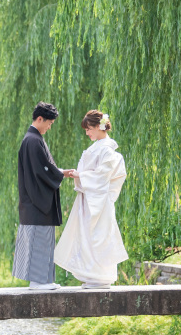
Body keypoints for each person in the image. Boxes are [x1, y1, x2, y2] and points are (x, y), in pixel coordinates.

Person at [54, 110, 128, 289]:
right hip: (89, 198)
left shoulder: (108, 150)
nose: (87, 133)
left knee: (99, 235)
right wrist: (80, 176)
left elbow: (103, 175)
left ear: (98, 127)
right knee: (86, 236)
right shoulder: (97, 148)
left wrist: (81, 175)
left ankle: (100, 277)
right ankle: (91, 275)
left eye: (89, 129)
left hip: (99, 200)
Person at [12, 102, 74, 290]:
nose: (49, 127)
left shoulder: (32, 138)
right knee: (39, 241)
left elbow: (43, 169)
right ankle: (38, 281)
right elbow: (41, 171)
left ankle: (42, 281)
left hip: (34, 202)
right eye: (49, 123)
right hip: (37, 203)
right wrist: (60, 173)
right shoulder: (32, 140)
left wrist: (59, 172)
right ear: (40, 119)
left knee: (41, 241)